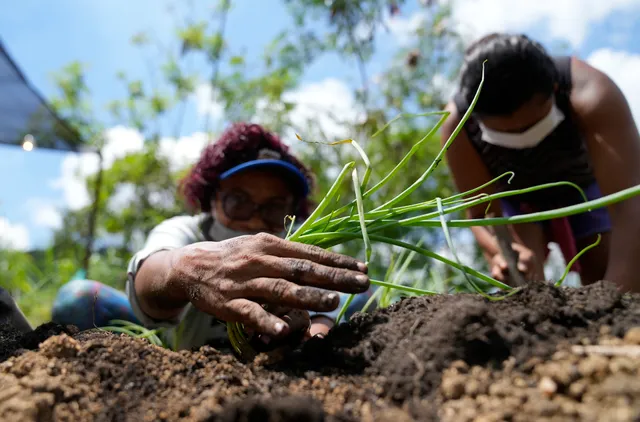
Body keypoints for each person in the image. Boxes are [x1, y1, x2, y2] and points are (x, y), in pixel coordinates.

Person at [52, 123, 373, 350]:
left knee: (362, 294)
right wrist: (186, 268)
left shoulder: (297, 249)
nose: (256, 219)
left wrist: (313, 337)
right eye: (238, 201)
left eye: (274, 208)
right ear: (212, 197)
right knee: (78, 299)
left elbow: (323, 313)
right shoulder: (188, 231)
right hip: (174, 346)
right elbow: (149, 275)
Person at [441, 33, 640, 292]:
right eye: (506, 135)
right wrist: (502, 251)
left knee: (605, 263)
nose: (522, 140)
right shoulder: (459, 127)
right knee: (523, 279)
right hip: (518, 201)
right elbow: (480, 212)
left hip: (585, 188)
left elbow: (630, 203)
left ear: (554, 90)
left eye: (531, 127)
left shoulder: (592, 93)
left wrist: (617, 300)